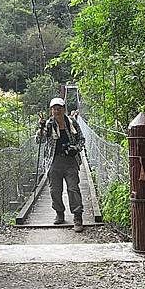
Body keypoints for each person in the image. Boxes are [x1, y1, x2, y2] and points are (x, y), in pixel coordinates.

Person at [36, 97, 86, 232]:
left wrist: (76, 148)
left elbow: (82, 139)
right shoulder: (48, 124)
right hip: (54, 161)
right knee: (55, 190)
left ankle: (77, 216)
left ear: (64, 109)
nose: (56, 111)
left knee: (73, 188)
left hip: (71, 161)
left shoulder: (72, 122)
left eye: (59, 108)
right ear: (51, 110)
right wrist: (40, 127)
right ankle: (59, 213)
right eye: (54, 108)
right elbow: (38, 140)